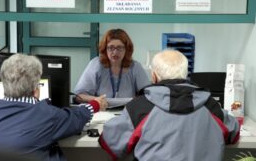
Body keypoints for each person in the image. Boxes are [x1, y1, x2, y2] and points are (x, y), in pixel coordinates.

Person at [0, 53, 107, 161]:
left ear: (4, 86)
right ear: (36, 88)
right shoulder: (47, 115)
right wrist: (95, 104)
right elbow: (77, 117)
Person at [99, 49, 240, 161]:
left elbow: (111, 140)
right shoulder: (210, 105)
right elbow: (233, 132)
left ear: (153, 76)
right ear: (186, 76)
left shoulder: (139, 107)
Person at [74, 28, 150, 108]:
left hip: (128, 113)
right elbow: (79, 96)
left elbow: (149, 95)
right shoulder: (96, 64)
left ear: (127, 49)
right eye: (111, 48)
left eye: (119, 48)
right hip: (101, 112)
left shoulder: (135, 67)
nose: (115, 52)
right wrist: (97, 100)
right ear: (104, 48)